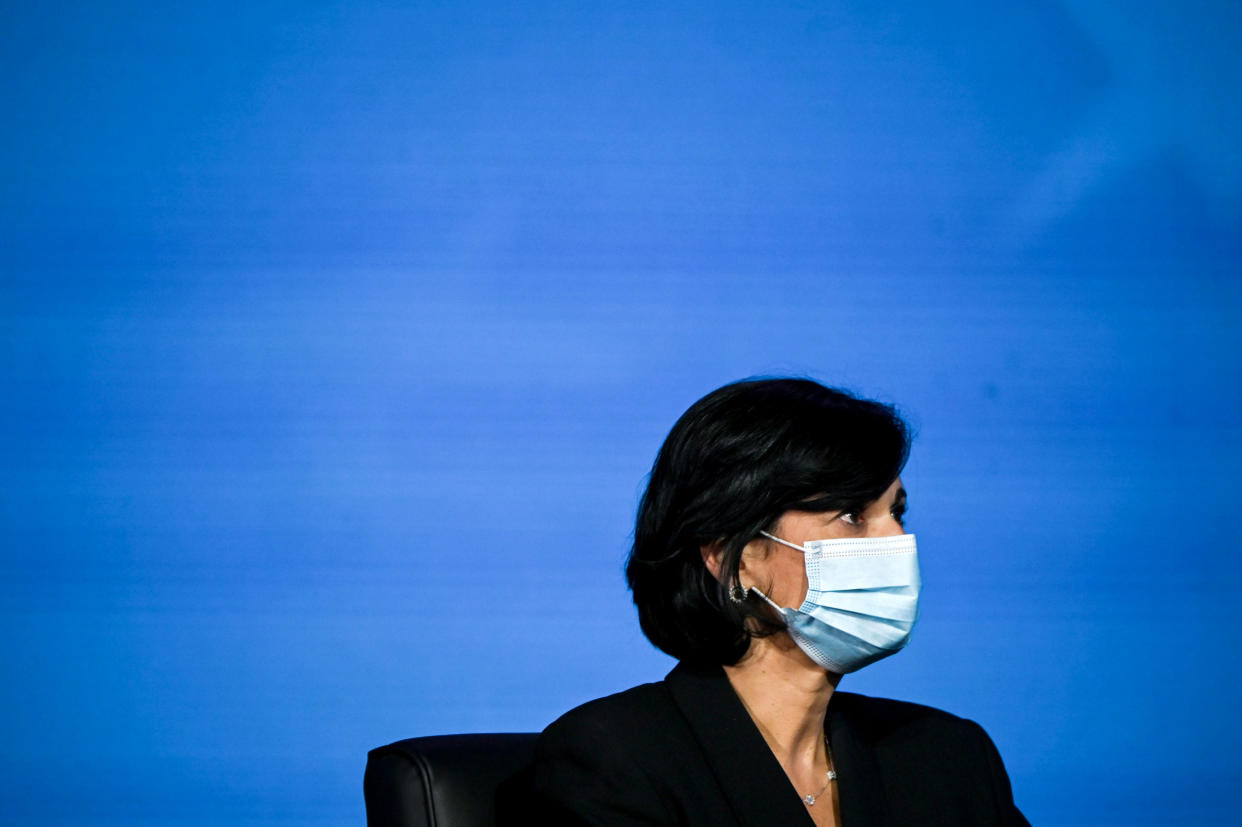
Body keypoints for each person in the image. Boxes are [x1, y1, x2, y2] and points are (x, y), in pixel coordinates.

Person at [529, 378, 1029, 826]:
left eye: (896, 513)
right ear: (736, 556)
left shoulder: (948, 757)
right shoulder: (611, 761)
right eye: (854, 515)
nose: (896, 542)